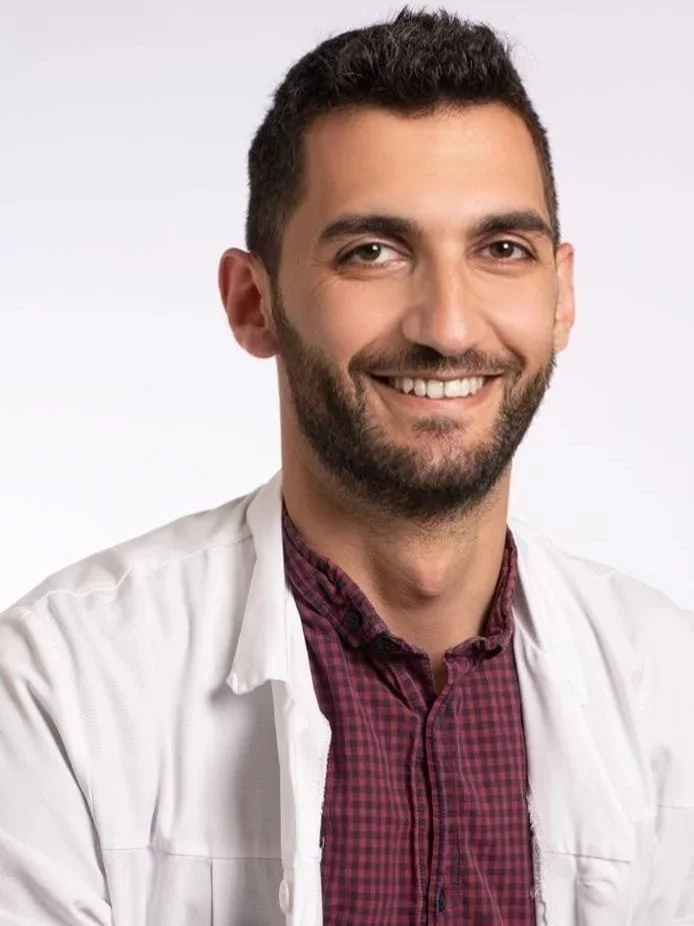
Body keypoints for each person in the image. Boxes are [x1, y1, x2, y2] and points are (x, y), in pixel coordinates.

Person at [1, 7, 692, 925]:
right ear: (254, 303)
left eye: (501, 250)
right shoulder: (61, 688)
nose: (447, 327)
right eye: (373, 252)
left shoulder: (669, 687)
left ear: (560, 296)